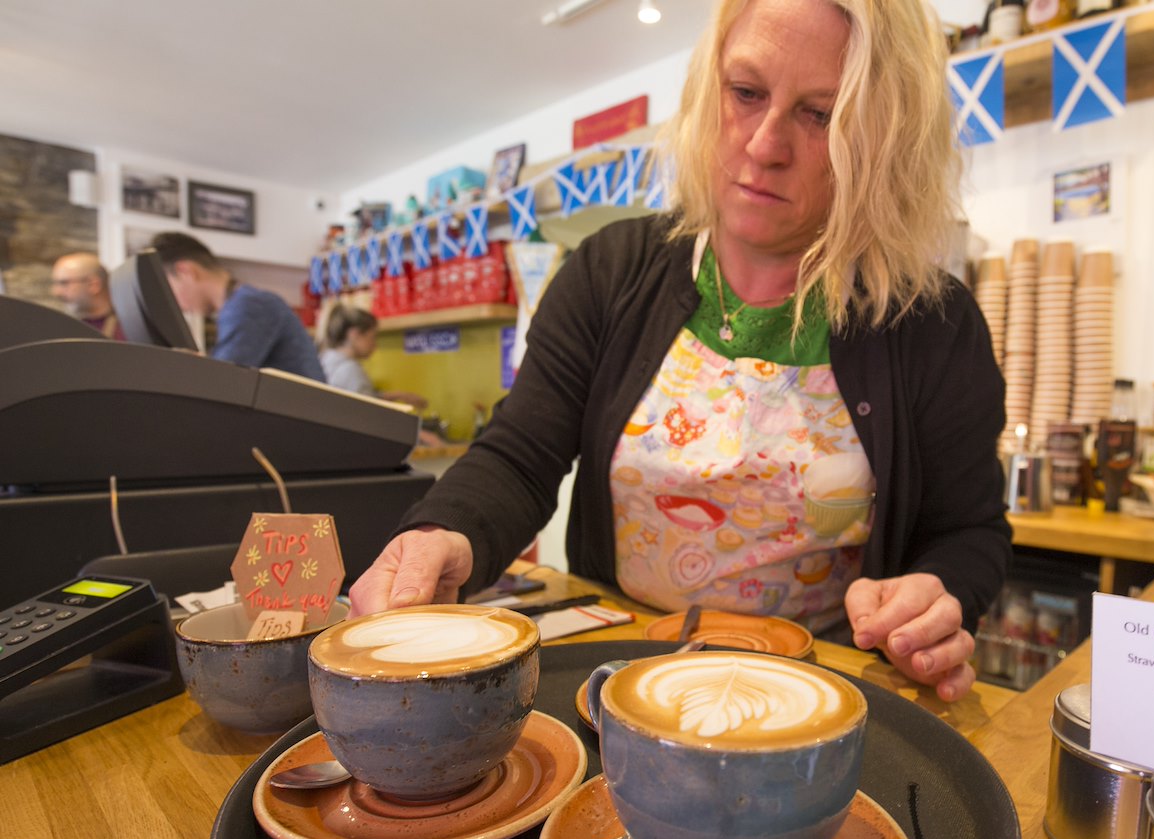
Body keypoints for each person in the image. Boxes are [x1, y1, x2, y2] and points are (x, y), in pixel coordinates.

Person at [349, 0, 1010, 702]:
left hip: (820, 690)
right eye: (746, 93)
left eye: (821, 115)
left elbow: (969, 530)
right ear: (707, 86)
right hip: (623, 670)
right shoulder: (612, 271)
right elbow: (521, 452)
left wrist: (936, 594)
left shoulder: (931, 323)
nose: (764, 145)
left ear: (886, 139)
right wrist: (446, 532)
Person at [150, 232, 326, 381]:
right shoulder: (240, 305)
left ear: (186, 272)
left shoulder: (248, 306)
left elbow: (220, 382)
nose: (178, 305)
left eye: (169, 289)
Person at [319, 305, 427, 408]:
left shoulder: (326, 359)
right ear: (355, 334)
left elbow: (362, 400)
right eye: (372, 337)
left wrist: (397, 395)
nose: (375, 345)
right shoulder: (349, 369)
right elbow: (367, 413)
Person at [50, 252, 122, 339]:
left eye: (64, 283)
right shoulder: (62, 331)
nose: (56, 292)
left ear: (93, 285)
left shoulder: (129, 328)